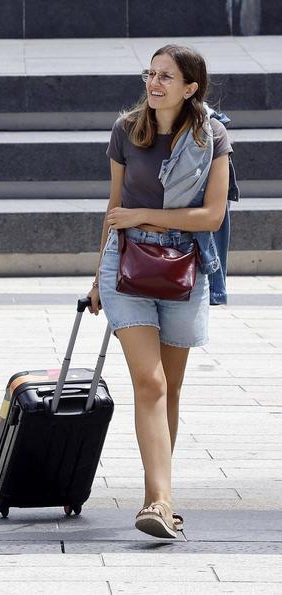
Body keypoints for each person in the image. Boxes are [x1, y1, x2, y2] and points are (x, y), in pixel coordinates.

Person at [88, 44, 232, 539]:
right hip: (126, 265)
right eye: (150, 74)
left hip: (184, 268)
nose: (154, 83)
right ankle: (159, 501)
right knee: (150, 383)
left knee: (169, 389)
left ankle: (160, 497)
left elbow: (211, 216)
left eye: (166, 76)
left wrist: (143, 215)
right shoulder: (126, 130)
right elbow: (112, 207)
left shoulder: (212, 135)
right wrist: (96, 277)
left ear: (190, 87)